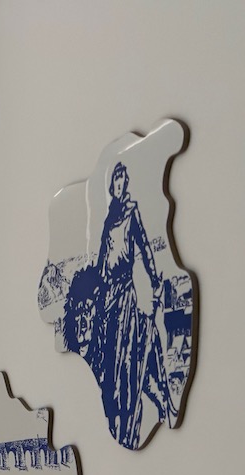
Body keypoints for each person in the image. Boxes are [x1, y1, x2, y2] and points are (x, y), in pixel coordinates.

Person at [86, 161, 172, 448]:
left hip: (125, 293)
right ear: (112, 187)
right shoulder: (109, 219)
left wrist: (154, 279)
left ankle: (131, 408)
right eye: (116, 181)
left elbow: (145, 248)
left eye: (123, 180)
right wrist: (97, 288)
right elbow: (101, 257)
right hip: (108, 297)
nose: (120, 185)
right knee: (108, 359)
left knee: (125, 357)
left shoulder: (131, 213)